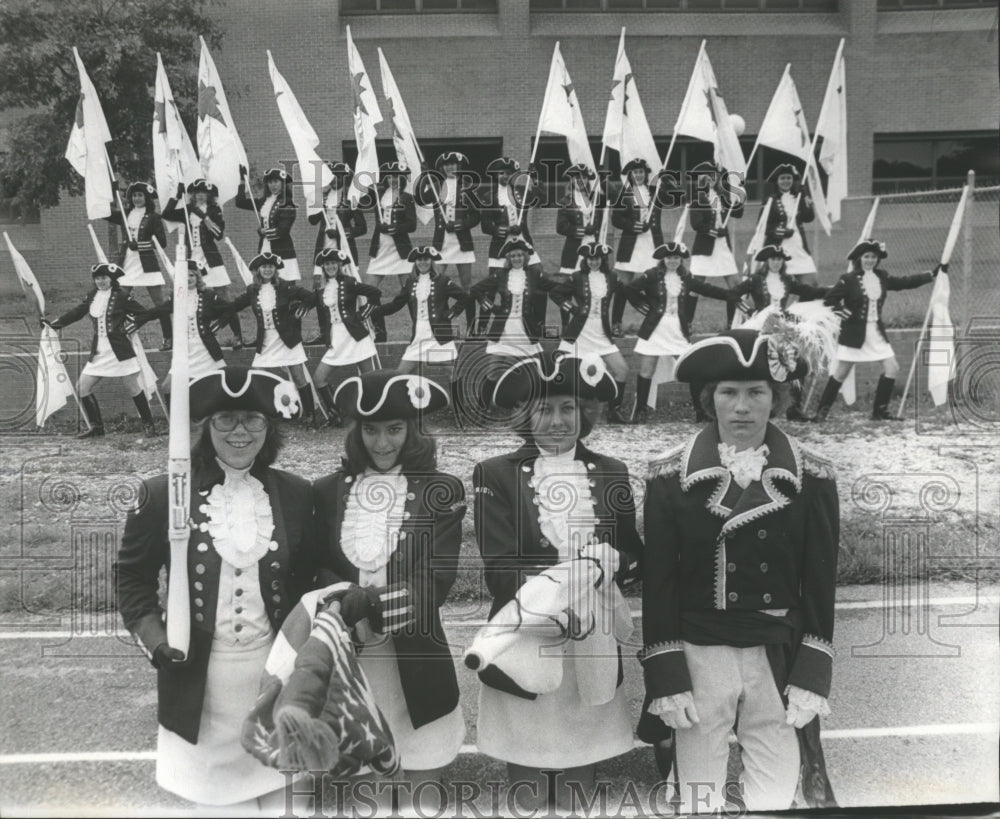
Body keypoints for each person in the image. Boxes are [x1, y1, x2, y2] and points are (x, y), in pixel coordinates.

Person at [638, 326, 840, 814]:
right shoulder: (668, 476)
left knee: (775, 782)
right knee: (699, 791)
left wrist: (814, 670)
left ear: (779, 398)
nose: (743, 407)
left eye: (757, 393)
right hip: (699, 649)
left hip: (776, 650)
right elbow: (659, 582)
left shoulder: (812, 476)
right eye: (729, 393)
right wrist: (666, 671)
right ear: (710, 400)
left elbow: (819, 582)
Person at [117, 366, 320, 811]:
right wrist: (155, 641)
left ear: (269, 426)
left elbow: (310, 583)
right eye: (225, 419)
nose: (240, 431)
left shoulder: (297, 494)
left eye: (253, 419)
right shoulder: (161, 495)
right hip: (202, 691)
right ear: (206, 425)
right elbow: (132, 580)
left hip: (276, 684)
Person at [473, 350, 643, 812]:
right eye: (542, 409)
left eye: (567, 407)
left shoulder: (611, 472)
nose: (556, 420)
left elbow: (633, 554)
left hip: (594, 640)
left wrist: (612, 564)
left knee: (578, 778)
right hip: (528, 635)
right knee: (527, 784)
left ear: (584, 412)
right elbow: (499, 567)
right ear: (524, 414)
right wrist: (553, 603)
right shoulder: (495, 474)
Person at [313, 369, 466, 807]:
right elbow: (318, 568)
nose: (382, 443)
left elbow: (433, 579)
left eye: (394, 429)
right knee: (368, 797)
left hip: (417, 661)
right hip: (351, 662)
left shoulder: (442, 489)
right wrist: (342, 603)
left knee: (423, 795)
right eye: (371, 430)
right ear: (356, 431)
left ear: (413, 429)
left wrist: (370, 605)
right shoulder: (325, 491)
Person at [815, 240, 940, 422]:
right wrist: (846, 313)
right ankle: (821, 414)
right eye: (867, 256)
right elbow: (829, 300)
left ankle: (879, 412)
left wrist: (931, 275)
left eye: (874, 257)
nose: (870, 260)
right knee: (841, 372)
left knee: (892, 368)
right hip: (854, 334)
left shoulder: (882, 276)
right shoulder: (848, 279)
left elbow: (904, 282)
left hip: (876, 332)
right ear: (860, 258)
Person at [624, 242, 742, 424]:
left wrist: (732, 294)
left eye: (676, 258)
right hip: (655, 329)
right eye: (670, 258)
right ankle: (641, 412)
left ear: (681, 260)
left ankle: (700, 412)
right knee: (647, 370)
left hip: (677, 330)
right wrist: (644, 306)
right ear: (664, 259)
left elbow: (707, 289)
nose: (673, 261)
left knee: (693, 369)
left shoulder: (686, 277)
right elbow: (630, 289)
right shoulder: (652, 275)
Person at [42, 262, 157, 438]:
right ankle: (97, 428)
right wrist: (54, 324)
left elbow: (144, 313)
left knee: (132, 386)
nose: (100, 282)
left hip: (120, 350)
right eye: (97, 279)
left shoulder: (121, 296)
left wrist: (130, 327)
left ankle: (149, 426)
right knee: (82, 387)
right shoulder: (92, 295)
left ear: (111, 279)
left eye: (104, 278)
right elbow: (77, 312)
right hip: (99, 351)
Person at [224, 252, 319, 423]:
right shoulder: (252, 290)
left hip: (288, 339)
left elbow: (311, 297)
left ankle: (310, 415)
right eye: (264, 267)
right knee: (258, 376)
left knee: (299, 377)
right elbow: (234, 306)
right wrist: (217, 313)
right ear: (258, 270)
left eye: (270, 266)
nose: (267, 269)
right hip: (266, 341)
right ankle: (261, 414)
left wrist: (301, 310)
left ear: (275, 269)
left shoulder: (286, 287)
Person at [373, 247, 468, 403]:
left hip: (440, 334)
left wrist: (450, 315)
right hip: (419, 334)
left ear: (431, 262)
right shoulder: (410, 282)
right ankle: (408, 408)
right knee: (401, 373)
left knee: (450, 372)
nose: (422, 262)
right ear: (415, 262)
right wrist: (374, 312)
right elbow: (396, 304)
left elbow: (464, 297)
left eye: (426, 259)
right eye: (419, 259)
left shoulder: (443, 280)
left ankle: (460, 410)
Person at [162, 179, 244, 349]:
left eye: (203, 192)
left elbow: (218, 234)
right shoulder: (186, 210)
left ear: (209, 195)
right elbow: (167, 214)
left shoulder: (215, 210)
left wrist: (205, 217)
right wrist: (177, 195)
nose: (200, 195)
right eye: (197, 192)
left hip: (211, 258)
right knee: (191, 297)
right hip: (192, 258)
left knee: (225, 298)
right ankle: (192, 336)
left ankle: (237, 336)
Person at [554, 243, 631, 424]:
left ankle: (613, 411)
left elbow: (624, 294)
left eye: (596, 259)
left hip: (602, 334)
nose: (593, 262)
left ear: (602, 259)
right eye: (590, 259)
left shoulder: (612, 277)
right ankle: (567, 414)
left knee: (622, 370)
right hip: (579, 334)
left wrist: (617, 321)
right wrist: (572, 309)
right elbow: (557, 294)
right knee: (564, 374)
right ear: (585, 259)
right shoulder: (577, 277)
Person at [307, 248, 382, 426]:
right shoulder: (320, 287)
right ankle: (336, 415)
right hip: (336, 338)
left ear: (339, 265)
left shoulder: (349, 282)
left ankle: (375, 416)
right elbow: (311, 302)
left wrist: (363, 313)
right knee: (319, 378)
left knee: (370, 379)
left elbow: (375, 293)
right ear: (323, 267)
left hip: (355, 336)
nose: (330, 266)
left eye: (333, 263)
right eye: (327, 264)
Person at [137, 260, 229, 401]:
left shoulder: (209, 296)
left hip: (206, 350)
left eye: (192, 275)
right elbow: (159, 310)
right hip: (184, 351)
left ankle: (219, 417)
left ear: (197, 277)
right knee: (167, 386)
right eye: (184, 276)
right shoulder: (177, 297)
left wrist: (219, 324)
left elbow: (230, 310)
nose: (188, 279)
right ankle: (175, 422)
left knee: (221, 385)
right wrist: (137, 320)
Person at [305, 162, 367, 346]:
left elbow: (362, 227)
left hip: (344, 253)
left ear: (345, 178)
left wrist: (342, 233)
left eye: (338, 177)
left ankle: (352, 329)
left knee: (348, 292)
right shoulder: (323, 196)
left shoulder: (351, 198)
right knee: (320, 293)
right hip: (323, 253)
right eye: (332, 176)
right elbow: (312, 220)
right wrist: (318, 203)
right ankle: (325, 333)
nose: (335, 180)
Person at [105, 181, 171, 350]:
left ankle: (168, 338)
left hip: (147, 264)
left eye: (140, 195)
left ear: (147, 197)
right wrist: (109, 192)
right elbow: (105, 213)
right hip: (127, 263)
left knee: (159, 303)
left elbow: (162, 242)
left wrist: (141, 245)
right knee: (118, 299)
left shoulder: (154, 217)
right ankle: (117, 337)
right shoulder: (126, 213)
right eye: (134, 195)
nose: (137, 198)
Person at [425, 151, 480, 332]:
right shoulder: (436, 186)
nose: (450, 167)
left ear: (459, 167)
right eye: (446, 165)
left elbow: (476, 216)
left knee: (466, 287)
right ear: (442, 168)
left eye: (453, 164)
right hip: (441, 244)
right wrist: (425, 177)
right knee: (438, 285)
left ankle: (472, 327)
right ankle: (441, 326)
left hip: (462, 244)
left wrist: (460, 224)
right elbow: (423, 199)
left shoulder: (467, 187)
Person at [365, 161, 419, 342]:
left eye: (397, 176)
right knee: (369, 290)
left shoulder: (406, 197)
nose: (393, 180)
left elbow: (412, 225)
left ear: (402, 178)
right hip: (380, 248)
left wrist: (396, 228)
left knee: (412, 290)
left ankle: (417, 330)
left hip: (400, 250)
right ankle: (380, 331)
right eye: (390, 176)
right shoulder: (379, 195)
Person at [688, 161, 745, 329]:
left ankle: (731, 324)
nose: (711, 179)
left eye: (714, 176)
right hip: (705, 246)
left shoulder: (723, 196)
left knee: (734, 284)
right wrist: (713, 231)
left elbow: (738, 213)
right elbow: (696, 224)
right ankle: (687, 323)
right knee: (695, 286)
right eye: (707, 176)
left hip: (722, 247)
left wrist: (738, 193)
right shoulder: (697, 198)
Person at [611, 158, 664, 337]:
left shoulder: (654, 192)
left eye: (641, 172)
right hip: (631, 244)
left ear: (646, 174)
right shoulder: (624, 194)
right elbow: (616, 219)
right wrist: (633, 225)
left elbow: (676, 195)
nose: (639, 175)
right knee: (623, 284)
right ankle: (616, 323)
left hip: (651, 243)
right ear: (630, 176)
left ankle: (653, 321)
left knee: (653, 282)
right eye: (635, 172)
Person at [555, 164, 605, 331]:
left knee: (592, 286)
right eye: (576, 177)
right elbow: (560, 227)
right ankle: (565, 325)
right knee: (566, 290)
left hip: (593, 248)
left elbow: (612, 197)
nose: (580, 180)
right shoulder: (566, 201)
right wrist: (582, 230)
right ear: (572, 180)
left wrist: (603, 176)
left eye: (583, 177)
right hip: (573, 250)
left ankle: (591, 323)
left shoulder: (596, 199)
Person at [236, 166, 300, 281]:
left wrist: (263, 231)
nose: (273, 185)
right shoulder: (264, 201)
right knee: (265, 282)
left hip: (282, 250)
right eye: (270, 182)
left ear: (283, 183)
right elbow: (240, 202)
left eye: (276, 182)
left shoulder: (287, 203)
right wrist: (242, 181)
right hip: (265, 247)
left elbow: (283, 230)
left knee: (285, 284)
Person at [762, 164, 817, 285]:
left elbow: (809, 218)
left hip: (799, 247)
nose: (786, 181)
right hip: (780, 248)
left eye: (789, 178)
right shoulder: (770, 200)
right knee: (782, 286)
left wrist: (804, 196)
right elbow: (763, 228)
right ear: (777, 181)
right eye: (782, 178)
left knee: (811, 284)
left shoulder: (797, 198)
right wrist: (782, 232)